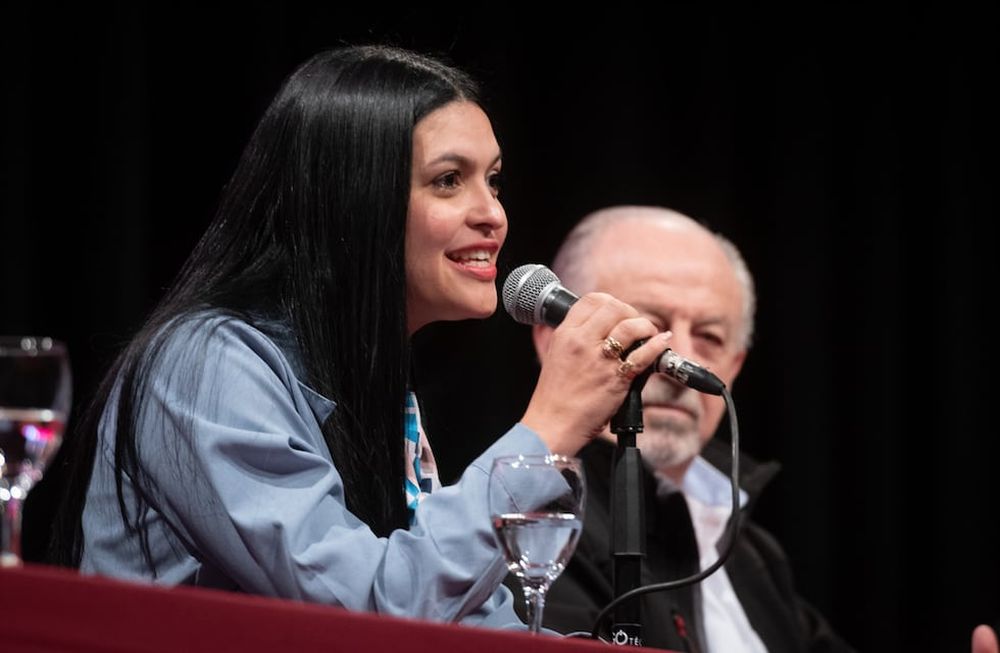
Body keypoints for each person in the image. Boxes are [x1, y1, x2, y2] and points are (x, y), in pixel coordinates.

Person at [45, 47, 672, 629]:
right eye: (449, 180)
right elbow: (368, 615)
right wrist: (551, 426)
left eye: (494, 179)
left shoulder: (368, 375)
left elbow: (470, 621)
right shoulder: (204, 365)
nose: (494, 214)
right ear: (354, 200)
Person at [529, 205, 854, 651]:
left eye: (710, 337)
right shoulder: (530, 520)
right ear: (557, 340)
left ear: (734, 366)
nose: (682, 361)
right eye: (649, 326)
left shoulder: (750, 546)